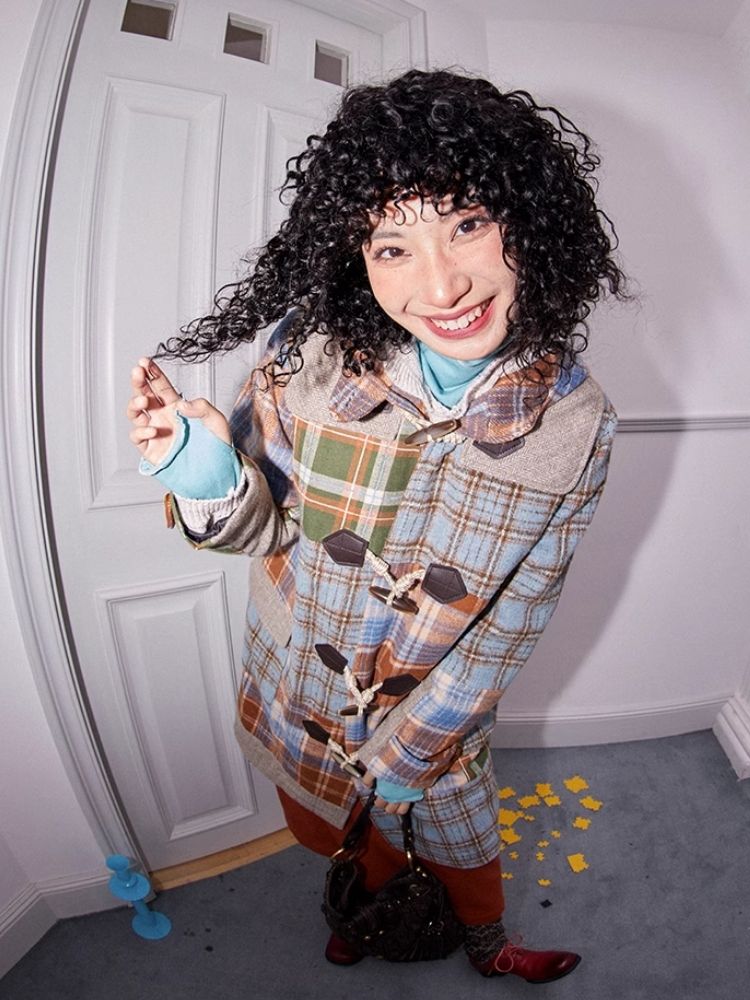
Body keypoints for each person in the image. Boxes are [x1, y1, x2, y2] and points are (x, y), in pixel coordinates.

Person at [127, 69, 626, 982]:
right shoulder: (307, 357)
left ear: (531, 221)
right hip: (299, 683)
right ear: (354, 259)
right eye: (392, 246)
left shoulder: (576, 421)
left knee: (462, 844)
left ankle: (488, 946)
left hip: (437, 709)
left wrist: (417, 746)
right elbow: (266, 533)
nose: (442, 284)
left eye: (468, 224)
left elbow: (517, 616)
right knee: (328, 828)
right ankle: (357, 916)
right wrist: (205, 475)